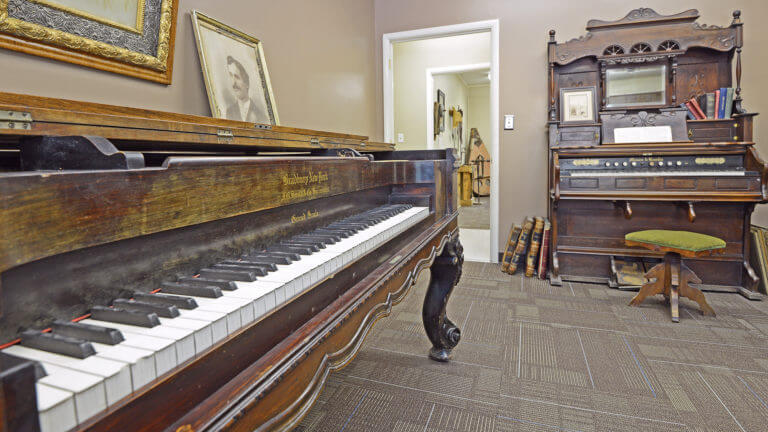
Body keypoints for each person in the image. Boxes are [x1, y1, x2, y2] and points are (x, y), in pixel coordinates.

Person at [224, 56, 268, 123]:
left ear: (246, 83)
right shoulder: (229, 112)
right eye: (231, 76)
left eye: (237, 77)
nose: (233, 83)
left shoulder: (261, 116)